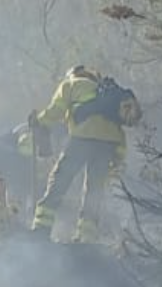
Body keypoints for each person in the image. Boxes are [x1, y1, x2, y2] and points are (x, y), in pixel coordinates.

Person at [29, 64, 139, 242]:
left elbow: (56, 110)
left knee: (60, 178)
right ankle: (87, 237)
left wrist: (38, 121)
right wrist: (118, 157)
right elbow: (118, 129)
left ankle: (41, 227)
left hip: (83, 138)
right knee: (94, 189)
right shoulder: (106, 92)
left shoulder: (71, 84)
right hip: (109, 145)